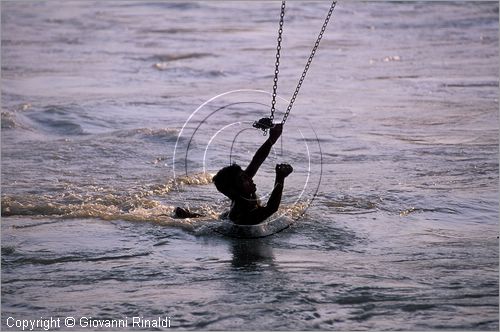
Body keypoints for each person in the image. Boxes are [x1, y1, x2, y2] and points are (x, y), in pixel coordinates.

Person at [212, 123, 293, 225]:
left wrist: (272, 139)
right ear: (234, 190)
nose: (249, 178)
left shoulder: (242, 191)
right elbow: (271, 208)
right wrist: (280, 178)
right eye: (243, 179)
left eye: (245, 176)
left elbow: (257, 160)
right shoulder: (243, 215)